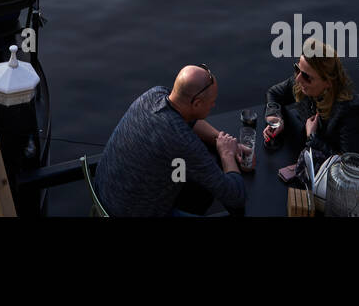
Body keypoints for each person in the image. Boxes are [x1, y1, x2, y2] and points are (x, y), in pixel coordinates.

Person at [94, 65, 248, 217]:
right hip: (128, 212)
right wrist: (226, 153)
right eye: (212, 101)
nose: (213, 105)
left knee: (195, 181)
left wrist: (220, 139)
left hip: (103, 193)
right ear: (197, 104)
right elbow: (235, 196)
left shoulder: (154, 94)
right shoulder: (183, 141)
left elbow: (190, 120)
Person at [263, 43, 359, 167]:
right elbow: (274, 93)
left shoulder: (350, 111)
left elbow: (349, 165)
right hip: (317, 165)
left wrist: (312, 138)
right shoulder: (302, 83)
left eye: (307, 76)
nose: (298, 79)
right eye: (297, 69)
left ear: (328, 82)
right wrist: (276, 117)